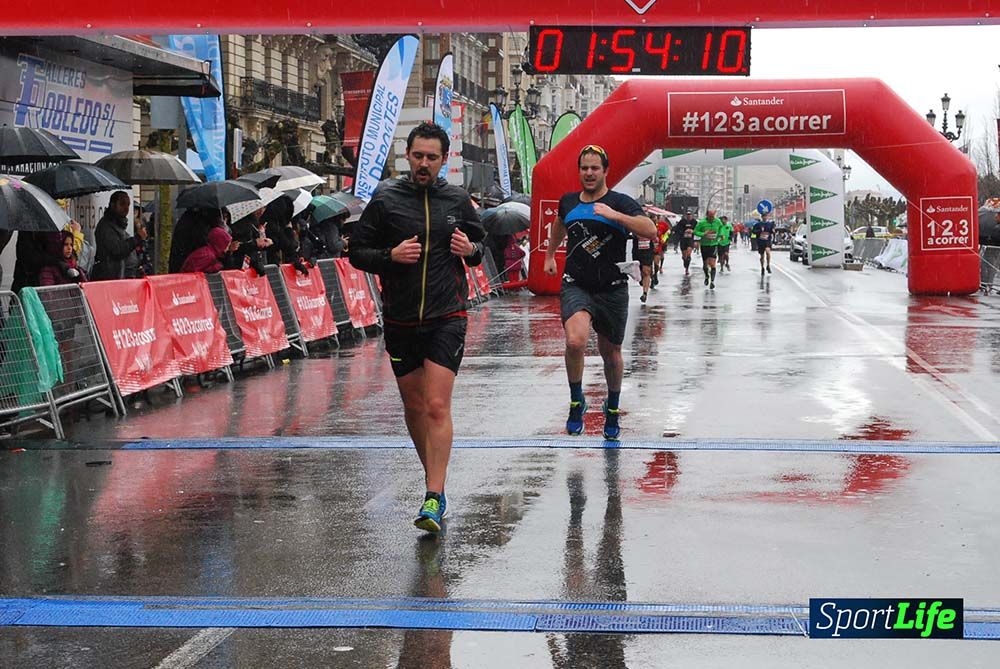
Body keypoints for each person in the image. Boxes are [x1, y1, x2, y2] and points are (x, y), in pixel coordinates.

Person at [349, 122, 486, 534]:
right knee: (412, 407)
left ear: (444, 160)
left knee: (436, 406)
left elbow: (480, 248)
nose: (424, 164)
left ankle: (431, 495)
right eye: (418, 156)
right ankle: (437, 487)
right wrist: (390, 255)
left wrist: (471, 250)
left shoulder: (458, 200)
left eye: (432, 157)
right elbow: (357, 253)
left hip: (447, 315)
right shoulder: (386, 198)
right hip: (401, 318)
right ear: (406, 156)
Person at [543, 144, 656, 440]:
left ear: (606, 171)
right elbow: (558, 226)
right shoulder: (568, 202)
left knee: (611, 354)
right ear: (579, 171)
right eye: (584, 168)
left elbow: (650, 230)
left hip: (612, 289)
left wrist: (616, 216)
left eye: (595, 168)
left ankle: (613, 407)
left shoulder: (620, 201)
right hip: (577, 284)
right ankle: (576, 400)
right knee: (575, 340)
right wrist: (550, 254)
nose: (589, 173)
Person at [91, 191, 142, 281]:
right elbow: (117, 250)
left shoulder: (118, 225)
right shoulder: (106, 226)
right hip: (112, 278)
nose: (126, 208)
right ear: (113, 205)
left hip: (123, 277)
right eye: (122, 204)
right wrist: (137, 239)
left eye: (128, 205)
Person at [693, 210, 723, 289]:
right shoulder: (701, 223)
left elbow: (721, 228)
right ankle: (706, 276)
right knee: (705, 264)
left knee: (712, 264)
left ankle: (712, 281)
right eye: (710, 216)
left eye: (713, 216)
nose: (712, 218)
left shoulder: (717, 221)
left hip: (713, 244)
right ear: (707, 215)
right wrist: (703, 234)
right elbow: (695, 231)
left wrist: (720, 235)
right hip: (704, 245)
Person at [632, 229, 654, 303]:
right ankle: (642, 280)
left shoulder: (650, 224)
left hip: (647, 251)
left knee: (646, 271)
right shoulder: (635, 224)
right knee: (641, 272)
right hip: (637, 251)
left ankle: (645, 294)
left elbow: (654, 234)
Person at [673, 210, 698, 276]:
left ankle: (687, 269)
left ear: (692, 215)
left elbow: (698, 230)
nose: (689, 216)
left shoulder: (694, 222)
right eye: (687, 214)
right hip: (683, 240)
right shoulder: (682, 222)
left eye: (690, 214)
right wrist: (684, 232)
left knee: (689, 253)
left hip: (690, 240)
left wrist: (692, 231)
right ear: (686, 215)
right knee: (684, 255)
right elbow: (677, 229)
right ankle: (685, 261)